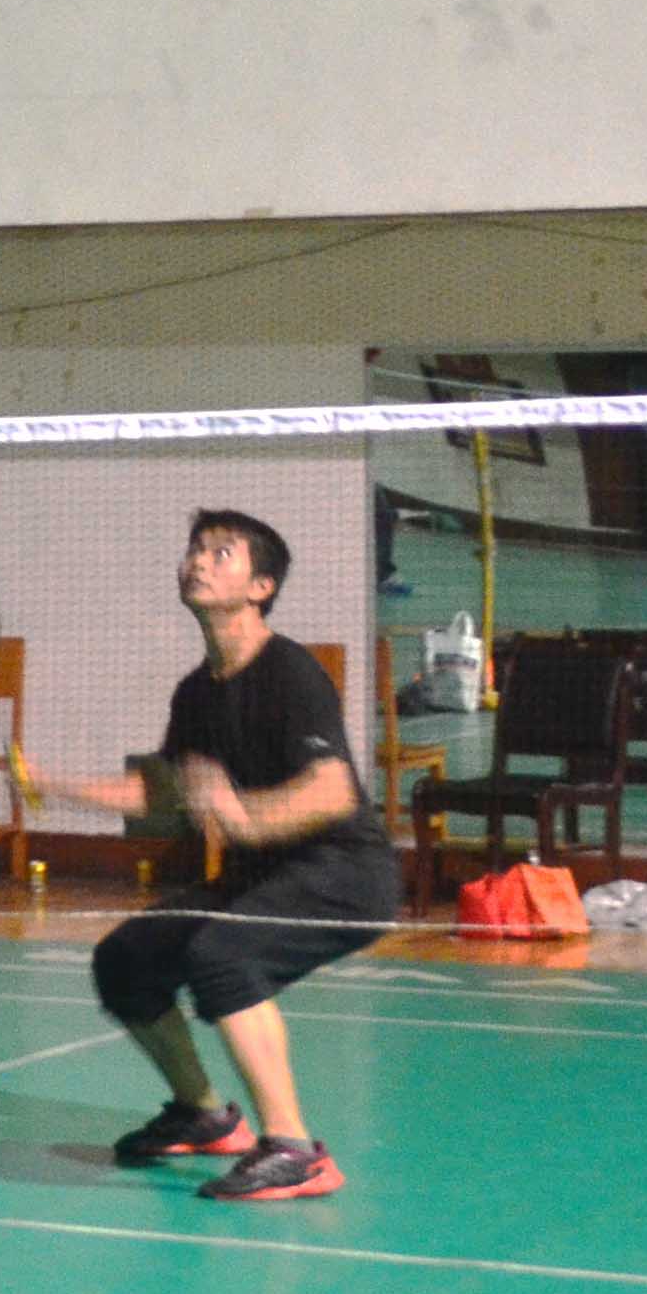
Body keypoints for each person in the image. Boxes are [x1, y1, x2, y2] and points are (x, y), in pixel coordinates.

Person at [60, 510, 395, 1206]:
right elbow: (164, 792)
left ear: (260, 587)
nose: (199, 560)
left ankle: (294, 1150)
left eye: (222, 553)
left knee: (223, 954)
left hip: (345, 875)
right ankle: (205, 1116)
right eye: (196, 549)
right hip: (263, 876)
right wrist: (58, 787)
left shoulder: (290, 673)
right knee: (126, 958)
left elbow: (333, 790)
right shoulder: (196, 691)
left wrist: (244, 816)